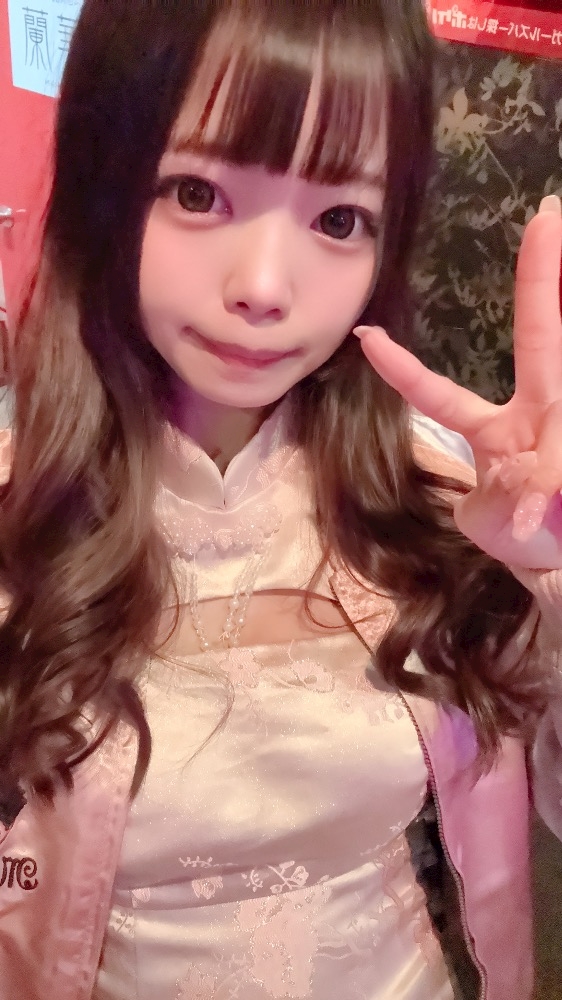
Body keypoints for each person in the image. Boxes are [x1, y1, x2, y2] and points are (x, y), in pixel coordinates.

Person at [0, 2, 561, 998]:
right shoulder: (21, 512)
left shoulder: (446, 495)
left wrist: (553, 579)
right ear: (105, 185)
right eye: (197, 194)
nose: (263, 286)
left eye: (338, 219)